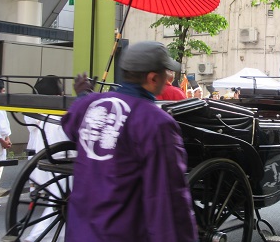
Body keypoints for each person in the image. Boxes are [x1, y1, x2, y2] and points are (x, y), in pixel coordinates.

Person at [61, 41, 197, 242]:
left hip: (80, 231)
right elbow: (167, 199)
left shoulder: (91, 105)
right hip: (124, 232)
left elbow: (71, 122)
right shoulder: (155, 122)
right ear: (153, 78)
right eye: (165, 72)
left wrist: (83, 95)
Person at [23, 76, 71, 242]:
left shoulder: (39, 115)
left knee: (55, 202)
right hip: (63, 165)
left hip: (43, 162)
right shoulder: (60, 117)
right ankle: (38, 237)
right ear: (59, 96)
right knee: (58, 203)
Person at [0, 79, 11, 186]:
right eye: (3, 91)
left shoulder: (1, 106)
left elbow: (5, 123)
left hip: (2, 142)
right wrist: (1, 140)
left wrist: (7, 138)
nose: (4, 93)